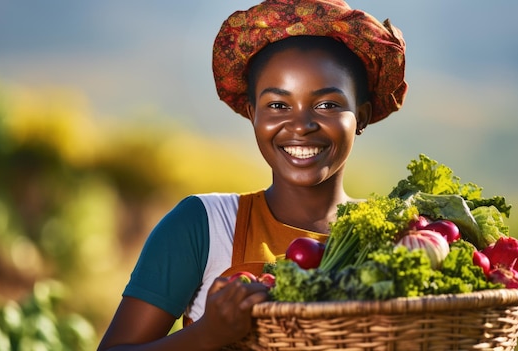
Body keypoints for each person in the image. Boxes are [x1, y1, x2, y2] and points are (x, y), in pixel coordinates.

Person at [97, 0, 407, 350]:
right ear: (252, 113)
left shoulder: (395, 239)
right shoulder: (203, 226)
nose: (301, 126)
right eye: (278, 105)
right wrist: (206, 335)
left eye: (328, 105)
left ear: (362, 117)